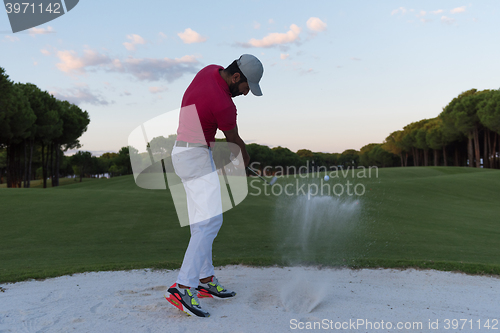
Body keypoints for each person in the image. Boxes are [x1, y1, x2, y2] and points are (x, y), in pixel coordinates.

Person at [165, 54, 264, 317]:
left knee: (201, 221)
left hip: (183, 152)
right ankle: (183, 286)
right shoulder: (225, 105)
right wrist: (245, 159)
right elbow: (234, 140)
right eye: (245, 88)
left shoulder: (209, 70)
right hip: (195, 156)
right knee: (211, 222)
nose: (244, 94)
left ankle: (205, 279)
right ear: (236, 77)